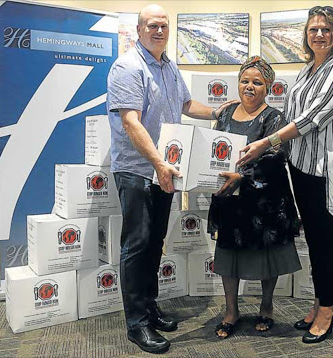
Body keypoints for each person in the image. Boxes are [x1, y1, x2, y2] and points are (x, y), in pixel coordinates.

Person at [106, 4, 232, 354]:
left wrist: (221, 111)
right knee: (137, 246)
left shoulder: (169, 66)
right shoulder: (128, 67)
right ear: (139, 29)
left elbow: (188, 105)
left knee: (154, 242)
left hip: (165, 171)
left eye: (163, 25)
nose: (159, 31)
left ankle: (149, 307)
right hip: (137, 170)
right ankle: (137, 325)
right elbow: (131, 122)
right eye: (152, 26)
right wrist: (159, 163)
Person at [237, 6, 333, 344]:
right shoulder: (306, 71)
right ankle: (320, 301)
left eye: (326, 29)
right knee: (315, 242)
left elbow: (311, 120)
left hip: (325, 172)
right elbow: (290, 113)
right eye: (313, 29)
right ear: (306, 35)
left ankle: (328, 311)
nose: (318, 34)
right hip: (301, 169)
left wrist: (266, 141)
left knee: (326, 243)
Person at [207, 56, 301, 339]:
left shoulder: (274, 118)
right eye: (245, 81)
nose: (250, 87)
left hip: (264, 200)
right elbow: (215, 149)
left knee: (266, 255)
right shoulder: (225, 114)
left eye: (257, 82)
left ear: (268, 87)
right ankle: (231, 311)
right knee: (228, 254)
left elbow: (277, 157)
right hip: (230, 200)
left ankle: (266, 306)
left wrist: (243, 177)